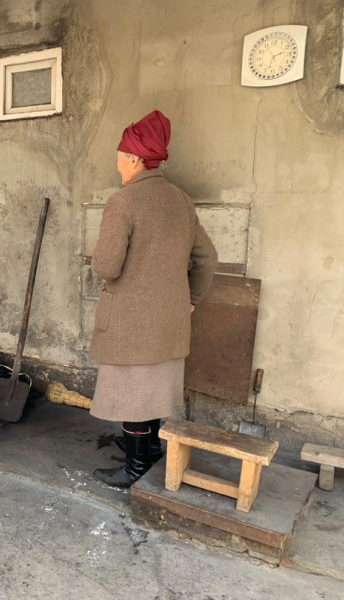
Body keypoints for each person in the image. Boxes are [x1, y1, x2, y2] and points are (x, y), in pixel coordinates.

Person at [89, 110, 218, 488]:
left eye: (119, 158)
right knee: (154, 390)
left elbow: (107, 266)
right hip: (170, 320)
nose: (117, 165)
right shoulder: (181, 200)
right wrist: (192, 298)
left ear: (134, 159)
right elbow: (208, 258)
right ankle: (149, 448)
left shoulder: (123, 201)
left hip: (131, 322)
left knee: (133, 395)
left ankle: (135, 466)